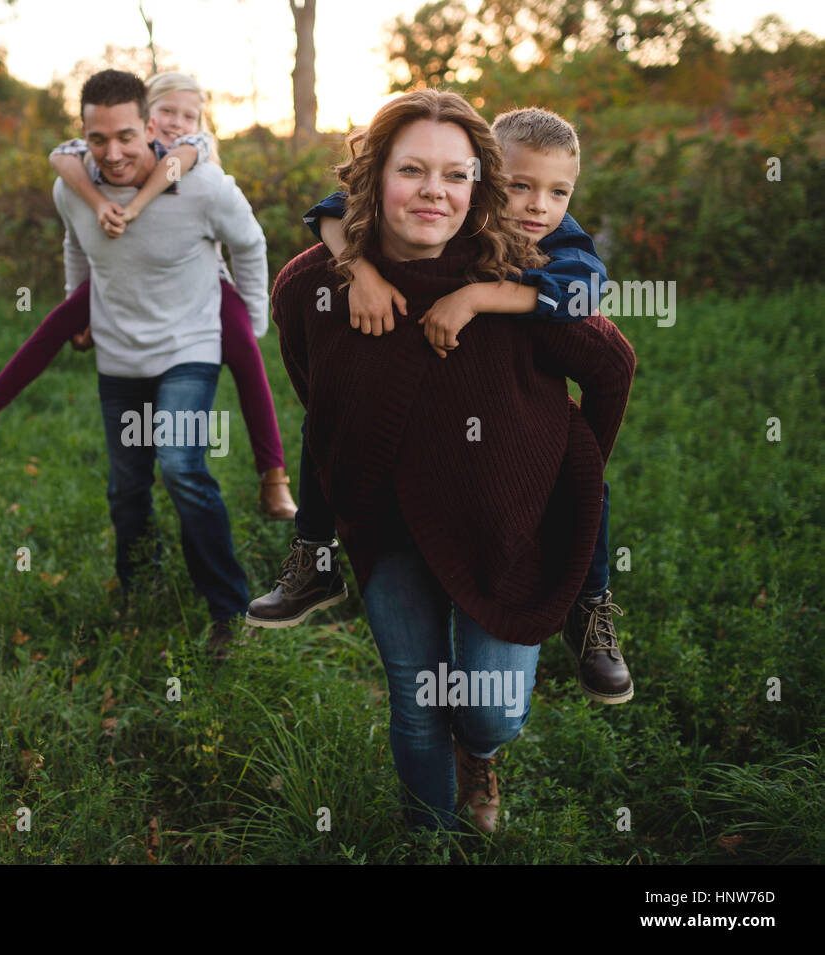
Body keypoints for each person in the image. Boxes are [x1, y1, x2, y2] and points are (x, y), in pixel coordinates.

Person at [268, 89, 636, 831]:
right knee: (416, 691)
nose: (434, 190)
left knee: (491, 710)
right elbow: (319, 386)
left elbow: (611, 367)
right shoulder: (316, 281)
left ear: (479, 183)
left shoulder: (521, 270)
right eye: (412, 169)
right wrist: (356, 270)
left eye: (455, 174)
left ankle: (482, 753)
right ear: (373, 177)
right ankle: (429, 839)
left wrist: (569, 465)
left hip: (508, 517)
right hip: (390, 517)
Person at [0, 72, 297, 521]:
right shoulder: (101, 151)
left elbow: (239, 230)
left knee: (246, 354)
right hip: (120, 278)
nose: (178, 123)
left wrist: (255, 318)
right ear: (147, 117)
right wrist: (94, 225)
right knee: (60, 320)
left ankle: (273, 476)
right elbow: (62, 160)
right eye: (168, 112)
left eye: (190, 116)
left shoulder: (196, 158)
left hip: (204, 283)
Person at [25, 69, 266, 656]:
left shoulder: (202, 185)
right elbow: (75, 243)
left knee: (182, 466)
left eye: (126, 137)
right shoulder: (72, 186)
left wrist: (252, 327)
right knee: (126, 487)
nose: (112, 153)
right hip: (119, 353)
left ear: (149, 126)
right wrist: (75, 308)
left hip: (189, 348)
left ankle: (228, 612)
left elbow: (250, 242)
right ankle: (141, 590)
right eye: (98, 138)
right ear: (83, 133)